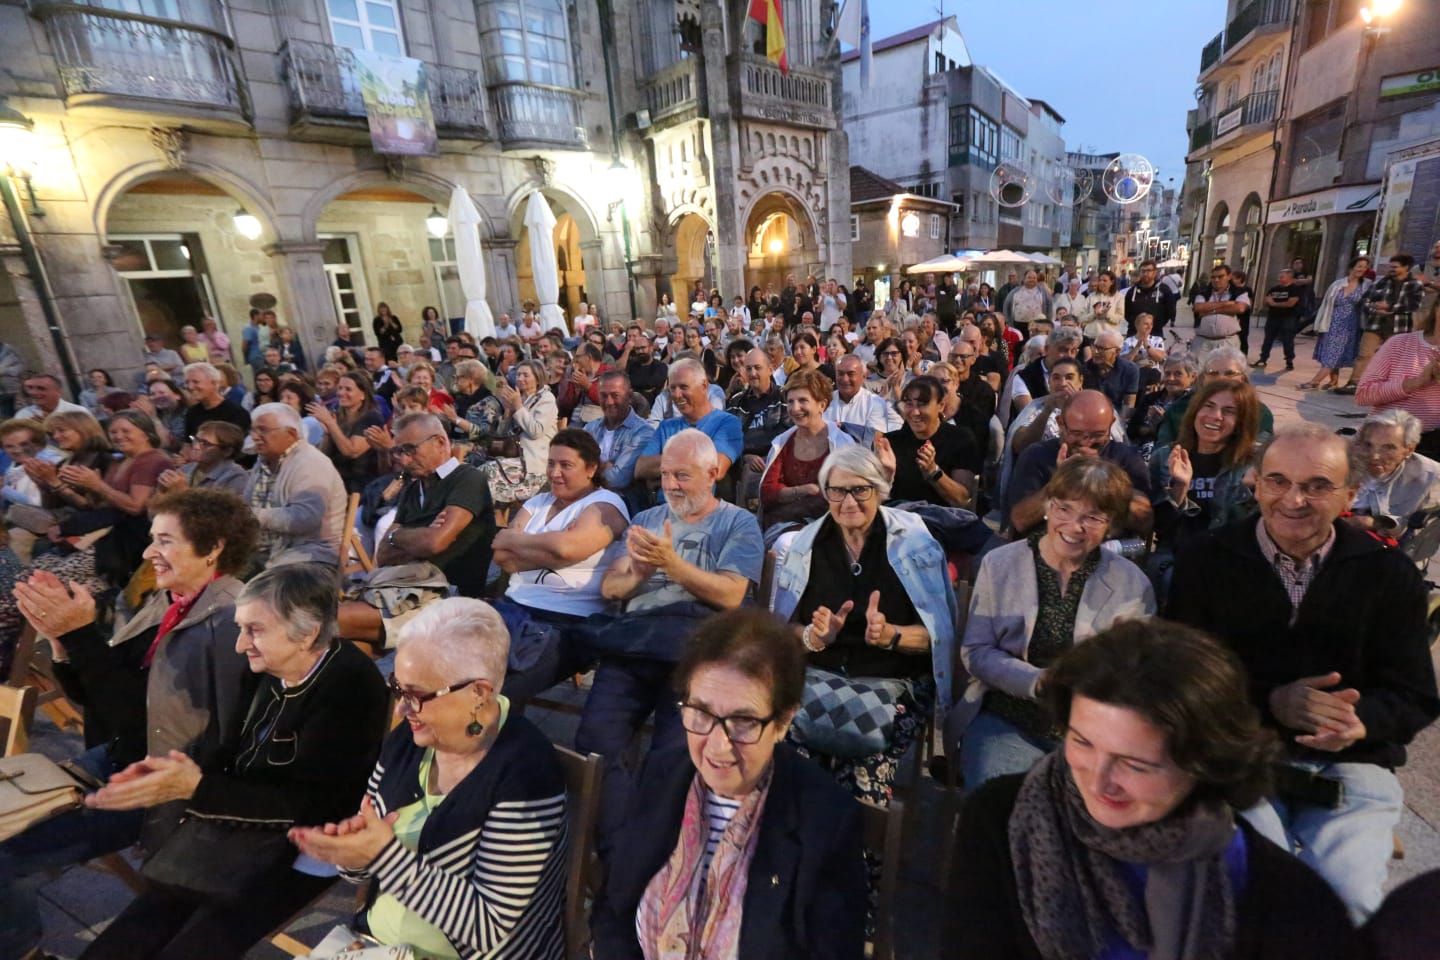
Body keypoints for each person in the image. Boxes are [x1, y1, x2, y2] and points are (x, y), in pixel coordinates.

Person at [948, 619, 1364, 960]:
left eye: (1135, 763)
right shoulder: (999, 817)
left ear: (1205, 762)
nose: (1097, 779)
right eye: (1081, 742)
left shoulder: (1286, 900)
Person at [1167, 423, 1440, 921]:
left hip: (1351, 767)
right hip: (1240, 755)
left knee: (1344, 901)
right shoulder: (1206, 561)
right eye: (1278, 481)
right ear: (1256, 482)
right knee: (1251, 891)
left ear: (1350, 495)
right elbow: (1180, 680)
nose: (1293, 499)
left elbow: (1415, 695)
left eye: (1317, 485)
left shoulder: (1390, 575)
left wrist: (1363, 722)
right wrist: (1271, 701)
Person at [73, 564, 390, 960]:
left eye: (254, 630)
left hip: (300, 848)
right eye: (241, 628)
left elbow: (310, 806)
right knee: (126, 938)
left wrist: (196, 789)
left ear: (307, 633)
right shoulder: (267, 667)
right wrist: (181, 780)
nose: (241, 645)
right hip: (233, 827)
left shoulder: (351, 686)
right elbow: (230, 752)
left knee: (189, 949)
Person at [0, 489, 261, 960]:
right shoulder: (173, 601)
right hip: (119, 758)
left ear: (214, 546)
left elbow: (147, 729)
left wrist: (78, 633)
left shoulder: (228, 621)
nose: (146, 552)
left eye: (163, 540)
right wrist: (63, 640)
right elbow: (96, 698)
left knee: (3, 858)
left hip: (161, 790)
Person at [292, 598, 569, 960]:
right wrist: (354, 851)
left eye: (417, 694)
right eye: (398, 688)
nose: (402, 708)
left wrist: (383, 855)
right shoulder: (409, 739)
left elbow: (489, 927)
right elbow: (363, 870)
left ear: (479, 693)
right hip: (379, 947)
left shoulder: (526, 774)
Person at [590, 607, 867, 960]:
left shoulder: (825, 821)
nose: (718, 747)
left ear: (783, 722)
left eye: (744, 721)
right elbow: (616, 906)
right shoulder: (661, 774)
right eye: (702, 713)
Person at [772, 446, 958, 805]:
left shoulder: (914, 544)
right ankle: (791, 856)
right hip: (817, 680)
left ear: (879, 490)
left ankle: (853, 859)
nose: (848, 501)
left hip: (893, 684)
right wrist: (814, 637)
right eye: (837, 490)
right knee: (785, 773)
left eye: (861, 489)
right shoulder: (805, 547)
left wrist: (892, 636)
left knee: (858, 784)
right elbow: (784, 633)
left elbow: (939, 639)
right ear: (826, 493)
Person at [957, 458, 1155, 786]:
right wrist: (1039, 682)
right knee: (1004, 806)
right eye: (1064, 509)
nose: (1074, 526)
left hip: (1094, 731)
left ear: (1112, 526)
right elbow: (977, 652)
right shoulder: (1001, 564)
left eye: (1092, 517)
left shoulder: (1131, 585)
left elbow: (1139, 674)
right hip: (1009, 716)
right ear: (1048, 506)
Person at [578, 430, 763, 775]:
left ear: (712, 475)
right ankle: (618, 825)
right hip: (636, 643)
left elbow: (731, 594)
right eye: (664, 474)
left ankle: (654, 822)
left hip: (698, 650)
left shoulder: (738, 522)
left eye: (682, 475)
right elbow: (611, 589)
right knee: (596, 740)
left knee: (675, 754)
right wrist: (638, 573)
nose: (670, 484)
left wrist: (671, 564)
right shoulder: (646, 520)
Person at [490, 429, 630, 697]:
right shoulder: (538, 501)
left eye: (566, 465)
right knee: (456, 670)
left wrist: (515, 540)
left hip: (568, 620)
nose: (555, 473)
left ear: (590, 469)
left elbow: (566, 549)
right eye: (551, 463)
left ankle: (495, 733)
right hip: (513, 609)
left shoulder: (605, 505)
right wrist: (553, 547)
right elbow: (502, 557)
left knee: (498, 692)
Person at [339, 414, 497, 646]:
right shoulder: (414, 489)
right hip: (403, 589)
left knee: (325, 621)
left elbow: (435, 543)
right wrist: (414, 538)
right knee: (344, 647)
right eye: (399, 451)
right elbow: (383, 556)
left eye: (411, 450)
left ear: (440, 442)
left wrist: (398, 537)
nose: (404, 460)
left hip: (444, 595)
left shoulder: (467, 479)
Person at [1149, 380, 1262, 600]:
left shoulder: (1255, 463)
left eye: (1229, 411)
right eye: (1208, 406)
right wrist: (1179, 488)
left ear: (1241, 422)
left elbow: (1255, 529)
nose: (1215, 416)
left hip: (1233, 555)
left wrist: (1249, 491)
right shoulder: (1164, 458)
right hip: (1178, 555)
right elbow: (1160, 529)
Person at [1006, 391, 1152, 539]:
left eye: (1097, 435)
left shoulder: (1127, 457)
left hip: (1108, 550)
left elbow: (1144, 521)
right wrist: (1060, 483)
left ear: (1111, 425)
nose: (1086, 442)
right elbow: (1020, 521)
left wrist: (1104, 478)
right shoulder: (1036, 455)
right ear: (1060, 424)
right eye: (1076, 433)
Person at [243, 402, 348, 570]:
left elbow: (304, 518)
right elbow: (246, 504)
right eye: (253, 430)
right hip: (266, 551)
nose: (254, 437)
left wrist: (254, 515)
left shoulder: (311, 463)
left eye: (263, 430)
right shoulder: (264, 461)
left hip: (308, 554)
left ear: (291, 434)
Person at [758, 370, 855, 532]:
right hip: (785, 524)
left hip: (831, 527)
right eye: (790, 402)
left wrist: (786, 493)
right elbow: (767, 493)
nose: (795, 409)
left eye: (803, 400)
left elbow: (847, 493)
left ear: (821, 405)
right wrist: (805, 490)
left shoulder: (843, 444)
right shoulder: (782, 443)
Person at [877, 374, 980, 508]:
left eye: (922, 404)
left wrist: (933, 472)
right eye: (909, 404)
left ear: (941, 405)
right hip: (898, 517)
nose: (915, 412)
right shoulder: (891, 441)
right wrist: (886, 475)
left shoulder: (960, 439)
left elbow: (962, 499)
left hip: (940, 520)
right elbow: (876, 497)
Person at [1354, 298, 1440, 458]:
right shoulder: (1400, 343)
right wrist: (1415, 383)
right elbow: (1363, 395)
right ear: (1436, 308)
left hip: (1432, 451)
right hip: (1382, 444)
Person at [635, 359, 742, 483]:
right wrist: (694, 461)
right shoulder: (666, 426)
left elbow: (715, 469)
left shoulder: (727, 423)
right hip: (664, 502)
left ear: (704, 386)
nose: (676, 394)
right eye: (672, 388)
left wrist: (664, 469)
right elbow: (640, 468)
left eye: (683, 387)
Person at [1155, 347, 1276, 446]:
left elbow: (1260, 460)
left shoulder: (1259, 413)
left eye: (1230, 373)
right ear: (1202, 378)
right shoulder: (1179, 409)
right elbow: (1162, 454)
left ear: (1243, 379)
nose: (1221, 379)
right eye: (1213, 373)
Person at [1341, 254, 1426, 394]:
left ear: (1405, 268)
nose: (1391, 269)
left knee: (1394, 358)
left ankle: (1389, 387)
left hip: (1398, 327)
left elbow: (1414, 305)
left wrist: (1390, 308)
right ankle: (1354, 383)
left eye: (1395, 267)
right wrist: (1374, 308)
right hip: (1375, 324)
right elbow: (1364, 300)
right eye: (1390, 266)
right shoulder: (1381, 282)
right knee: (1364, 354)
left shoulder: (1415, 285)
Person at [1347, 409, 1440, 533]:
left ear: (1409, 450)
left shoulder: (1431, 476)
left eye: (1388, 448)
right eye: (1368, 445)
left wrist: (1374, 523)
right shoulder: (1343, 459)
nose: (1375, 456)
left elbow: (1422, 527)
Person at [480, 358, 557, 504]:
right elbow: (501, 435)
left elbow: (536, 431)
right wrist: (508, 412)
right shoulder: (520, 398)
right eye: (518, 375)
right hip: (514, 456)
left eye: (526, 375)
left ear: (538, 378)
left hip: (533, 464)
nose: (520, 378)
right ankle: (488, 516)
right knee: (476, 471)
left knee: (487, 471)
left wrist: (518, 407)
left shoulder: (547, 399)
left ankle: (489, 516)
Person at [582, 371, 655, 514]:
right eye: (603, 395)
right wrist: (605, 466)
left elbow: (618, 479)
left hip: (623, 508)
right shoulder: (590, 428)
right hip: (585, 500)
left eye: (615, 395)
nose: (609, 402)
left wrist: (589, 467)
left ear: (629, 395)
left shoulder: (643, 432)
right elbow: (573, 469)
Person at [726, 347, 790, 500]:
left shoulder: (785, 397)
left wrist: (771, 457)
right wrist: (745, 457)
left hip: (778, 462)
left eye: (757, 368)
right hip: (745, 463)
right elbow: (728, 440)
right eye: (748, 369)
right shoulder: (736, 401)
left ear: (770, 369)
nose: (753, 373)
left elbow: (793, 434)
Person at [311, 370, 385, 495]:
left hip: (359, 487)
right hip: (335, 480)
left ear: (363, 395)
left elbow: (351, 451)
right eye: (340, 388)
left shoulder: (371, 418)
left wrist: (331, 424)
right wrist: (328, 434)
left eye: (348, 389)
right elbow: (324, 456)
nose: (341, 393)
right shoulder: (337, 415)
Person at [1305, 256, 1371, 391]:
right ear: (1352, 267)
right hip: (1332, 322)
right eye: (1359, 266)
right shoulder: (1338, 284)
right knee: (1330, 352)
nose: (1362, 269)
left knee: (1335, 353)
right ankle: (1334, 380)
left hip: (1350, 325)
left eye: (1365, 267)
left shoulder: (1366, 285)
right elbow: (1326, 305)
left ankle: (1315, 381)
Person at [156, 420, 249, 496]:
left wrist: (183, 492)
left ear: (227, 451)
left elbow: (218, 516)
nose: (196, 446)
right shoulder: (185, 469)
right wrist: (161, 494)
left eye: (205, 444)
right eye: (195, 440)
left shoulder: (236, 477)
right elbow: (153, 514)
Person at [1009, 326, 1087, 415]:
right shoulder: (1025, 377)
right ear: (1047, 349)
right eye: (1063, 350)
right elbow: (1027, 415)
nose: (1069, 356)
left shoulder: (1083, 373)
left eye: (1073, 351)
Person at [826, 354, 899, 437]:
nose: (845, 379)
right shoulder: (824, 401)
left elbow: (873, 438)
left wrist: (843, 428)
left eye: (851, 374)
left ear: (863, 377)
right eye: (840, 374)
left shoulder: (875, 403)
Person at [1192, 264, 1250, 360]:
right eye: (1213, 277)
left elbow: (1239, 308)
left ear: (1229, 277)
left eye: (1220, 276)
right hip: (1202, 342)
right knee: (1199, 371)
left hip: (1227, 341)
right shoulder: (1204, 293)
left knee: (1225, 371)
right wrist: (1227, 303)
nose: (1216, 280)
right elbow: (1199, 307)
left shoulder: (1239, 292)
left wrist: (1210, 310)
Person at [181, 362, 250, 438]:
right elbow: (189, 441)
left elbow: (233, 446)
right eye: (187, 382)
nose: (190, 387)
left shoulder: (236, 413)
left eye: (196, 382)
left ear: (213, 383)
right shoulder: (192, 413)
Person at [1256, 268, 1304, 372]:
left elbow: (1291, 303)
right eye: (1279, 276)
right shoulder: (1274, 289)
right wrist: (1268, 302)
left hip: (1288, 318)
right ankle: (1263, 359)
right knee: (1268, 339)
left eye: (1282, 276)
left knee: (1287, 340)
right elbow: (1266, 301)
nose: (1279, 278)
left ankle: (1289, 361)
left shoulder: (1295, 289)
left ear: (1289, 277)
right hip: (1273, 317)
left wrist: (1274, 304)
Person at [1086, 329, 1140, 419]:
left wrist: (1120, 426)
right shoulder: (1084, 369)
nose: (1096, 352)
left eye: (1102, 349)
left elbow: (1128, 404)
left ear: (1117, 352)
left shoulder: (1130, 369)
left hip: (1116, 417)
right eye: (1094, 347)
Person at [1123, 258, 1178, 337]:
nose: (1145, 273)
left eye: (1149, 270)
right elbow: (1126, 312)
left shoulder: (1164, 290)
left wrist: (1157, 324)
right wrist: (1136, 323)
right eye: (1143, 271)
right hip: (1134, 333)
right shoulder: (1132, 292)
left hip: (1155, 333)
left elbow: (1170, 310)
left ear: (1155, 272)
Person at [16, 372, 87, 422]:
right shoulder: (24, 414)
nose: (34, 392)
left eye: (41, 388)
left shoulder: (78, 412)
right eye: (31, 388)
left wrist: (51, 428)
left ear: (58, 391)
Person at [1004, 270, 1053, 339]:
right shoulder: (1015, 292)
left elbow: (1050, 305)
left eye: (1034, 278)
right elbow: (1006, 305)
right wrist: (1008, 321)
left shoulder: (1042, 292)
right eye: (1029, 277)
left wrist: (1048, 320)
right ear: (1024, 279)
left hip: (1037, 325)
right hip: (1019, 324)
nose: (1032, 280)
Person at [1083, 270, 1125, 341]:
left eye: (1105, 280)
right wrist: (1094, 314)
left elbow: (1119, 318)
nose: (1101, 282)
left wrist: (1107, 315)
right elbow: (1082, 317)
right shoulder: (1091, 297)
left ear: (1112, 282)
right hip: (1091, 336)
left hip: (1109, 337)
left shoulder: (1119, 297)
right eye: (1100, 280)